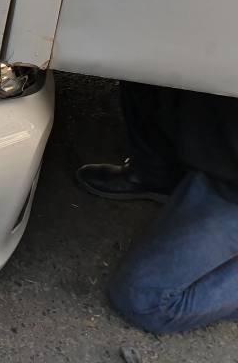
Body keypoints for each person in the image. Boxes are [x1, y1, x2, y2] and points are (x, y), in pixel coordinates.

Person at [77, 82, 238, 334]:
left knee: (144, 299)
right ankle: (156, 176)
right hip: (213, 119)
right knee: (142, 70)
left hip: (229, 181)